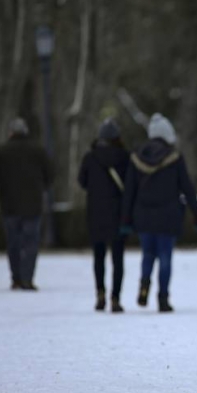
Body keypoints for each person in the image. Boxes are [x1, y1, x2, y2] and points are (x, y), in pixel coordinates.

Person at [122, 113, 197, 313]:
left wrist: (125, 220)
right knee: (165, 257)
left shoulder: (136, 158)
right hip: (168, 216)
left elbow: (129, 192)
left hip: (143, 216)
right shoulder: (174, 158)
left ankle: (144, 287)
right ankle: (163, 298)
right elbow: (187, 188)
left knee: (147, 255)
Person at [0, 117, 53, 291]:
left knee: (13, 243)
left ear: (11, 132)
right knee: (31, 243)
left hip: (9, 205)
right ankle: (28, 278)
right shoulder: (38, 151)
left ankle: (16, 278)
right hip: (33, 205)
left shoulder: (1, 152)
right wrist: (41, 188)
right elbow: (50, 174)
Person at [78, 119, 130, 313]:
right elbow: (130, 185)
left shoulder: (90, 158)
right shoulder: (124, 157)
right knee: (118, 259)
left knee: (98, 257)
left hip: (96, 214)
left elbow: (82, 181)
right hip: (118, 214)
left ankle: (100, 294)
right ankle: (115, 298)